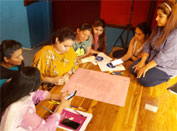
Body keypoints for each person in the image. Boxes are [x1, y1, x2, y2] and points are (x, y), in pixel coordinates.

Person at [0, 67, 72, 131]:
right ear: (31, 88)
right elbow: (47, 129)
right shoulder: (23, 110)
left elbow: (36, 94)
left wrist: (57, 96)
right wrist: (61, 107)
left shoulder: (11, 84)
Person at [130, 1, 177, 87]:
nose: (156, 19)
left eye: (160, 16)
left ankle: (168, 76)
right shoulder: (158, 28)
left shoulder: (175, 35)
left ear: (170, 18)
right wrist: (143, 62)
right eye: (157, 15)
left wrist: (146, 67)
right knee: (133, 68)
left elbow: (163, 57)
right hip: (152, 59)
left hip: (165, 66)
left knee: (144, 80)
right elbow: (147, 44)